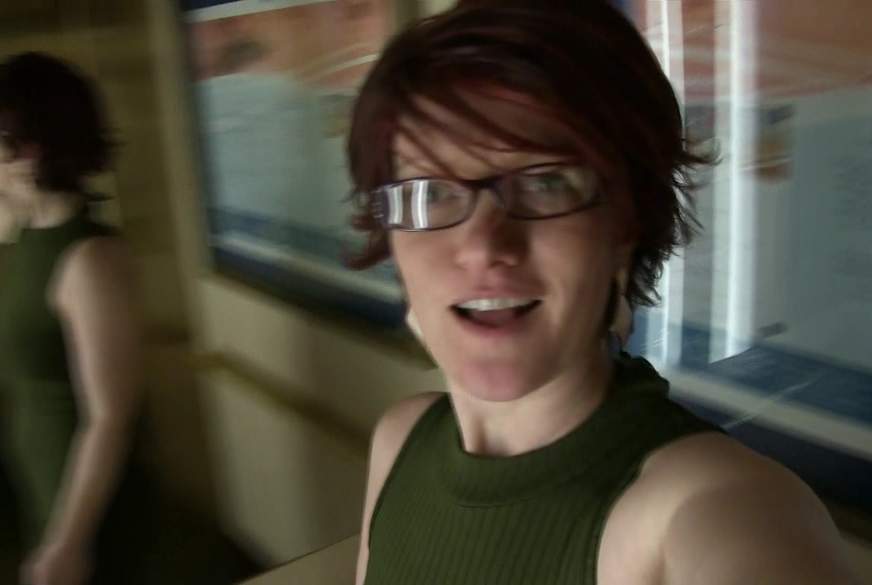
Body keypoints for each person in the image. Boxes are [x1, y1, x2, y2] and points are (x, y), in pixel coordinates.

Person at [344, 1, 860, 584]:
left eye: (546, 181)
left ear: (624, 226)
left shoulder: (714, 506)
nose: (484, 246)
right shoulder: (400, 439)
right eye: (431, 192)